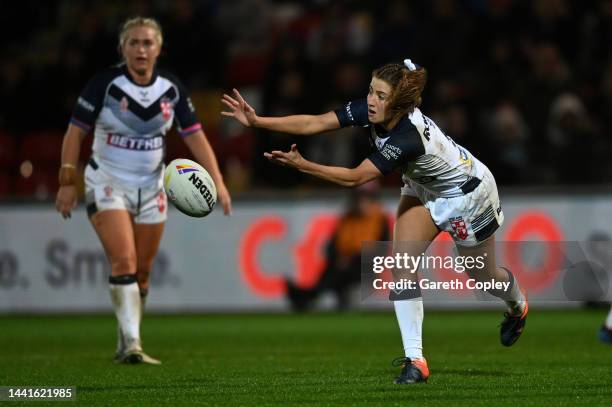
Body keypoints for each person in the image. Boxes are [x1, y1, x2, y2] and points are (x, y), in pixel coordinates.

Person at [222, 58, 527, 384]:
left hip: (467, 195)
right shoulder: (371, 111)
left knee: (483, 277)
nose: (371, 100)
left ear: (396, 103)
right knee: (403, 265)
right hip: (424, 185)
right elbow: (315, 122)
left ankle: (517, 305)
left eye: (380, 95)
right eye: (370, 91)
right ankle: (416, 361)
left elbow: (356, 178)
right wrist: (257, 121)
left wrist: (305, 165)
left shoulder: (407, 137)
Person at [55, 17, 232, 365]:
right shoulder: (104, 84)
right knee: (124, 260)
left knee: (144, 272)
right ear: (122, 48)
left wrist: (219, 182)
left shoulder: (172, 88)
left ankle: (126, 341)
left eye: (147, 43)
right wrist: (66, 181)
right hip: (107, 181)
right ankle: (133, 345)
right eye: (133, 43)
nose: (140, 49)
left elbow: (194, 134)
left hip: (153, 187)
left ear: (159, 49)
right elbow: (75, 132)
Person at [286, 184, 390, 311]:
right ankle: (307, 296)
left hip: (366, 266)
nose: (360, 203)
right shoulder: (347, 218)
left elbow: (381, 249)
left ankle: (306, 296)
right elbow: (333, 244)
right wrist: (338, 258)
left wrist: (352, 258)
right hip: (342, 262)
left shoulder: (379, 219)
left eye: (364, 199)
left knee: (337, 274)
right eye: (358, 198)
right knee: (332, 271)